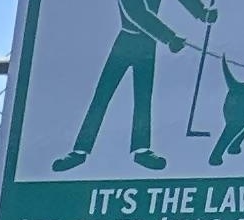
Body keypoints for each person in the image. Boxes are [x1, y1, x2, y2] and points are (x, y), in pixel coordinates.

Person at [54, 0, 220, 173]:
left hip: (148, 44)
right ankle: (80, 151)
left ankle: (142, 150)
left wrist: (202, 13)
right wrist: (169, 37)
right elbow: (137, 14)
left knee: (143, 99)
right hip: (125, 43)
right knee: (102, 96)